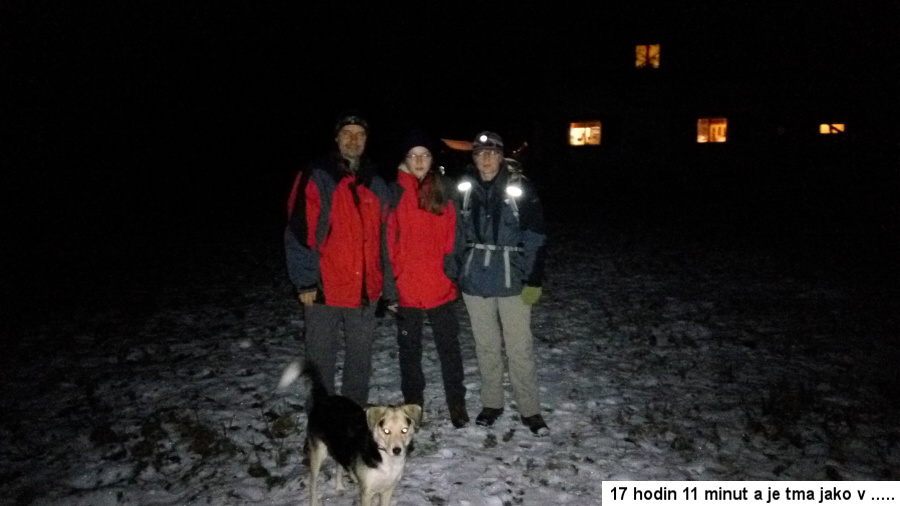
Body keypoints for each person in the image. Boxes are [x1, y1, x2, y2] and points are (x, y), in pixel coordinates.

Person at [284, 112, 393, 408]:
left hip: (365, 290)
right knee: (321, 356)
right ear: (336, 138)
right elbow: (299, 229)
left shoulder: (376, 182)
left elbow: (386, 238)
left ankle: (352, 412)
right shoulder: (319, 174)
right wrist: (305, 281)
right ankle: (322, 415)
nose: (354, 140)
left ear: (367, 140)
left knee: (360, 357)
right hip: (325, 287)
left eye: (360, 134)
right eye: (347, 133)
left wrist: (386, 287)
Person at [453, 131, 550, 436]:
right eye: (480, 153)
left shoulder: (520, 187)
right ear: (473, 157)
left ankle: (530, 409)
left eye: (492, 153)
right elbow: (455, 234)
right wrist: (455, 271)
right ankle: (491, 403)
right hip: (476, 280)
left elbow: (535, 235)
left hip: (512, 279)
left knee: (519, 347)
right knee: (486, 346)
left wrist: (534, 277)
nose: (486, 158)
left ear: (501, 156)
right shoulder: (464, 188)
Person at [384, 130, 469, 428]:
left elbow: (456, 236)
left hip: (440, 287)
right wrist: (392, 285)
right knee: (409, 353)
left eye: (425, 155)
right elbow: (387, 242)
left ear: (432, 159)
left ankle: (456, 402)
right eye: (413, 155)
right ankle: (413, 404)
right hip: (407, 290)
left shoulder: (444, 190)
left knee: (450, 350)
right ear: (405, 159)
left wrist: (451, 272)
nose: (419, 161)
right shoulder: (394, 192)